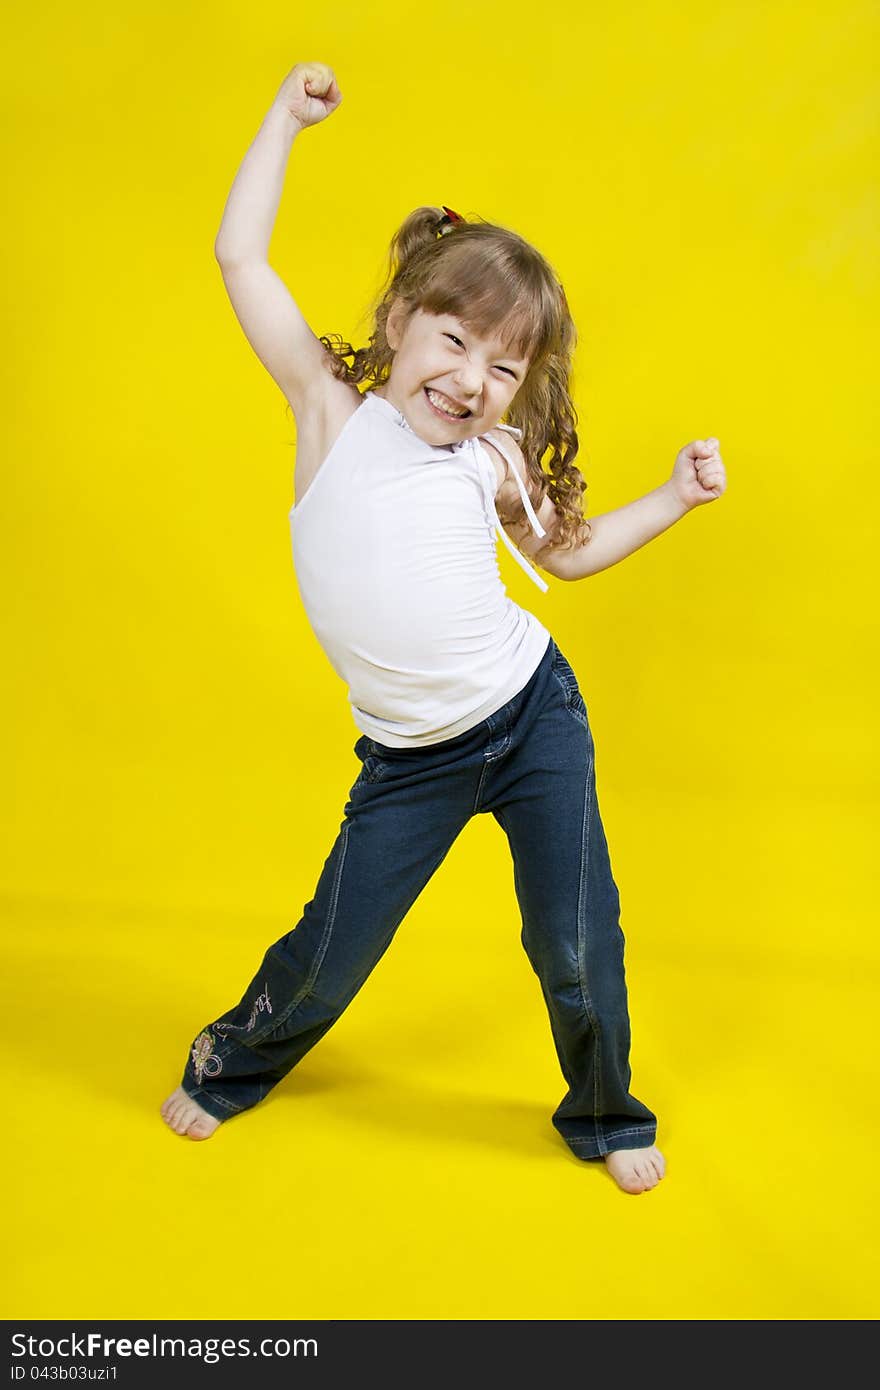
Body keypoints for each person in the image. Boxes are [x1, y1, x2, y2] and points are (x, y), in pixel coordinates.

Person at [160, 61, 727, 1194]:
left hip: (533, 721)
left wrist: (671, 498)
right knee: (331, 953)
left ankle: (608, 1113)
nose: (472, 379)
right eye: (454, 341)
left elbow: (565, 554)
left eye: (504, 365)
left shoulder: (492, 459)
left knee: (574, 943)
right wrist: (282, 118)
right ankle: (228, 1066)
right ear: (400, 322)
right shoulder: (329, 409)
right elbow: (240, 258)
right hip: (411, 760)